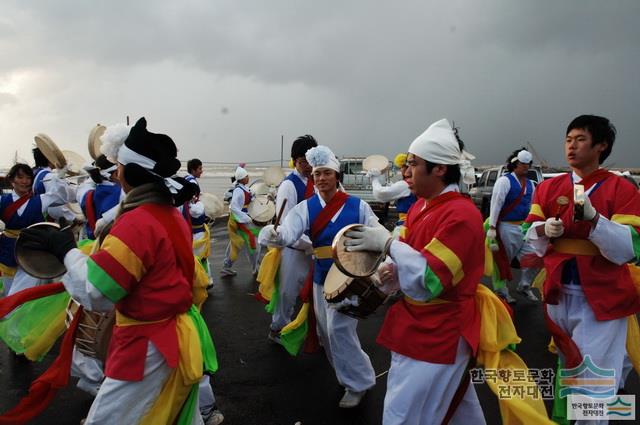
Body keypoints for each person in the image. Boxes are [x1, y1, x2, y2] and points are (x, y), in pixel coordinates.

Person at [345, 119, 553, 425]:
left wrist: (388, 244)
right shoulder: (422, 207)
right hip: (423, 324)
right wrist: (394, 273)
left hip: (439, 332)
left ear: (440, 168)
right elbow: (416, 261)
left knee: (403, 416)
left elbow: (430, 279)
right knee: (457, 411)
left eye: (413, 164)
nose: (406, 172)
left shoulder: (461, 214)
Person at [20, 117, 216, 424]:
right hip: (172, 336)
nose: (117, 172)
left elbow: (97, 293)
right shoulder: (170, 214)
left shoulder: (138, 223)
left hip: (146, 345)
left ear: (128, 172)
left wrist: (65, 250)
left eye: (118, 166)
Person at [524, 115, 640, 424]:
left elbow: (629, 249)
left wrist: (595, 222)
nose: (572, 146)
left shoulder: (622, 189)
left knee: (594, 383)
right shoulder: (550, 187)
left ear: (601, 146)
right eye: (568, 139)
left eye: (581, 140)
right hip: (559, 295)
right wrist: (543, 229)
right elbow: (530, 239)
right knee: (573, 372)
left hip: (601, 299)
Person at [259, 145, 377, 408]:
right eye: (316, 175)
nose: (321, 178)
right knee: (326, 331)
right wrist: (275, 235)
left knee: (339, 330)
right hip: (320, 278)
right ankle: (349, 376)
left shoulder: (358, 206)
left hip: (349, 278)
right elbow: (289, 232)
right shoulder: (305, 207)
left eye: (326, 173)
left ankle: (359, 383)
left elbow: (376, 234)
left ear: (337, 176)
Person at [257, 135, 316, 344]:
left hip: (313, 247)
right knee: (287, 293)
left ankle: (311, 332)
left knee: (312, 292)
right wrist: (309, 245)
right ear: (295, 161)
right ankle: (278, 329)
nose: (308, 166)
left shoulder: (316, 182)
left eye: (311, 160)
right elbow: (285, 224)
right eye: (303, 161)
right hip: (294, 247)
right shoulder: (289, 186)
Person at [0, 163, 71, 296]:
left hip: (32, 251)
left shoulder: (41, 200)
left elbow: (62, 197)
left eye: (28, 178)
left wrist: (59, 179)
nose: (25, 181)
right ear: (11, 180)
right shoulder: (2, 201)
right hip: (7, 251)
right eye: (20, 177)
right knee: (8, 292)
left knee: (24, 294)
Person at [486, 148, 539, 303]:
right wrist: (493, 227)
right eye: (522, 164)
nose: (525, 167)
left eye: (527, 164)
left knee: (534, 257)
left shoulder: (531, 184)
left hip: (524, 227)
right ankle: (501, 291)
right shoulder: (504, 181)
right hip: (506, 226)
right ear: (515, 164)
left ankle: (524, 285)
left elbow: (532, 206)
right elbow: (496, 204)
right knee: (503, 260)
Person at [221, 166, 259, 276]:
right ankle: (255, 268)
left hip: (242, 220)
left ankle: (227, 266)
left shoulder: (244, 188)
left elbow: (248, 201)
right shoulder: (238, 190)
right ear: (241, 178)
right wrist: (246, 217)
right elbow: (233, 207)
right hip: (240, 221)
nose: (248, 177)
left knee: (235, 245)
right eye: (246, 176)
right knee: (251, 244)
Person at [368, 152, 417, 237]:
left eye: (402, 167)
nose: (401, 170)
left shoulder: (405, 185)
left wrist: (374, 179)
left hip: (406, 225)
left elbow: (380, 194)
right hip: (413, 224)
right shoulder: (413, 183)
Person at [77, 154, 123, 241]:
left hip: (95, 244)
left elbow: (81, 189)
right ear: (116, 174)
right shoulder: (121, 193)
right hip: (115, 243)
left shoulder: (87, 194)